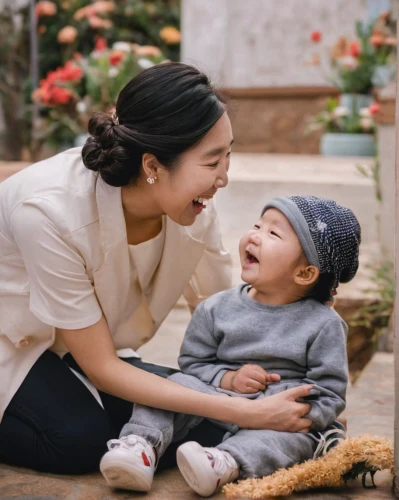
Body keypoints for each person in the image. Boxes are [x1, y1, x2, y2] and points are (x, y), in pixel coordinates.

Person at [0, 63, 314, 475]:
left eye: (229, 156)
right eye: (212, 161)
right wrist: (246, 412)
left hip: (73, 347)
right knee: (77, 440)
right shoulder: (48, 211)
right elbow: (103, 368)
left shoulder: (194, 206)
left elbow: (228, 317)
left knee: (207, 423)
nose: (223, 178)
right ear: (152, 166)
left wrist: (279, 391)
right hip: (12, 344)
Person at [99, 195, 361, 497]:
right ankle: (140, 449)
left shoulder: (324, 325)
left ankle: (223, 463)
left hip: (278, 419)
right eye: (257, 225)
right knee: (173, 385)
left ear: (305, 273)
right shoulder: (217, 308)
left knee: (295, 441)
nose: (254, 236)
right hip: (218, 401)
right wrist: (229, 379)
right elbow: (194, 363)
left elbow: (329, 393)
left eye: (273, 234)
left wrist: (300, 415)